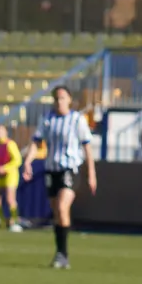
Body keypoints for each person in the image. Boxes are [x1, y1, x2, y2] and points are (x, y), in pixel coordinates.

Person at [21, 85, 97, 269]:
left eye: (62, 98)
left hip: (69, 169)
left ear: (69, 100)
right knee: (57, 213)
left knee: (63, 208)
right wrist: (28, 161)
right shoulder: (48, 119)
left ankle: (63, 254)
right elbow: (36, 142)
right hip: (51, 170)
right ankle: (60, 253)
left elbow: (87, 147)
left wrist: (91, 173)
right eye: (56, 98)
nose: (59, 101)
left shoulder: (77, 119)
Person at [0, 124, 23, 232]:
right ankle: (3, 221)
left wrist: (5, 168)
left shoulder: (10, 144)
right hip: (0, 176)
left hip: (11, 174)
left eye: (0, 131)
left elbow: (17, 160)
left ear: (5, 133)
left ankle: (15, 221)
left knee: (10, 199)